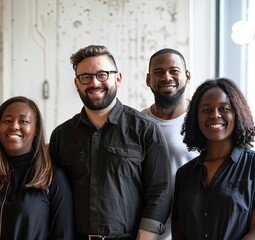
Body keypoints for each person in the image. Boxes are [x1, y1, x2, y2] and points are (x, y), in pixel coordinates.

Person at [49, 45, 171, 239]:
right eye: (86, 77)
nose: (94, 83)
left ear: (118, 78)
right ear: (77, 83)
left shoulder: (145, 129)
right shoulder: (61, 136)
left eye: (102, 74)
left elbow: (161, 191)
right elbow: (55, 198)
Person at [172, 78, 255, 239]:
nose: (215, 115)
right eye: (206, 110)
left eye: (224, 108)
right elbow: (179, 234)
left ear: (237, 113)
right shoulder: (184, 174)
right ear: (195, 118)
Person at [0, 96, 75, 239]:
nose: (14, 126)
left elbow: (63, 236)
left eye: (23, 121)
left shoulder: (53, 179)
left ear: (36, 129)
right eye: (7, 121)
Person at [141, 48, 199, 240]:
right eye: (158, 72)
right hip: (146, 231)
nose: (167, 77)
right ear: (148, 80)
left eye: (174, 70)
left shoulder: (203, 120)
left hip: (195, 229)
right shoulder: (137, 123)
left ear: (187, 75)